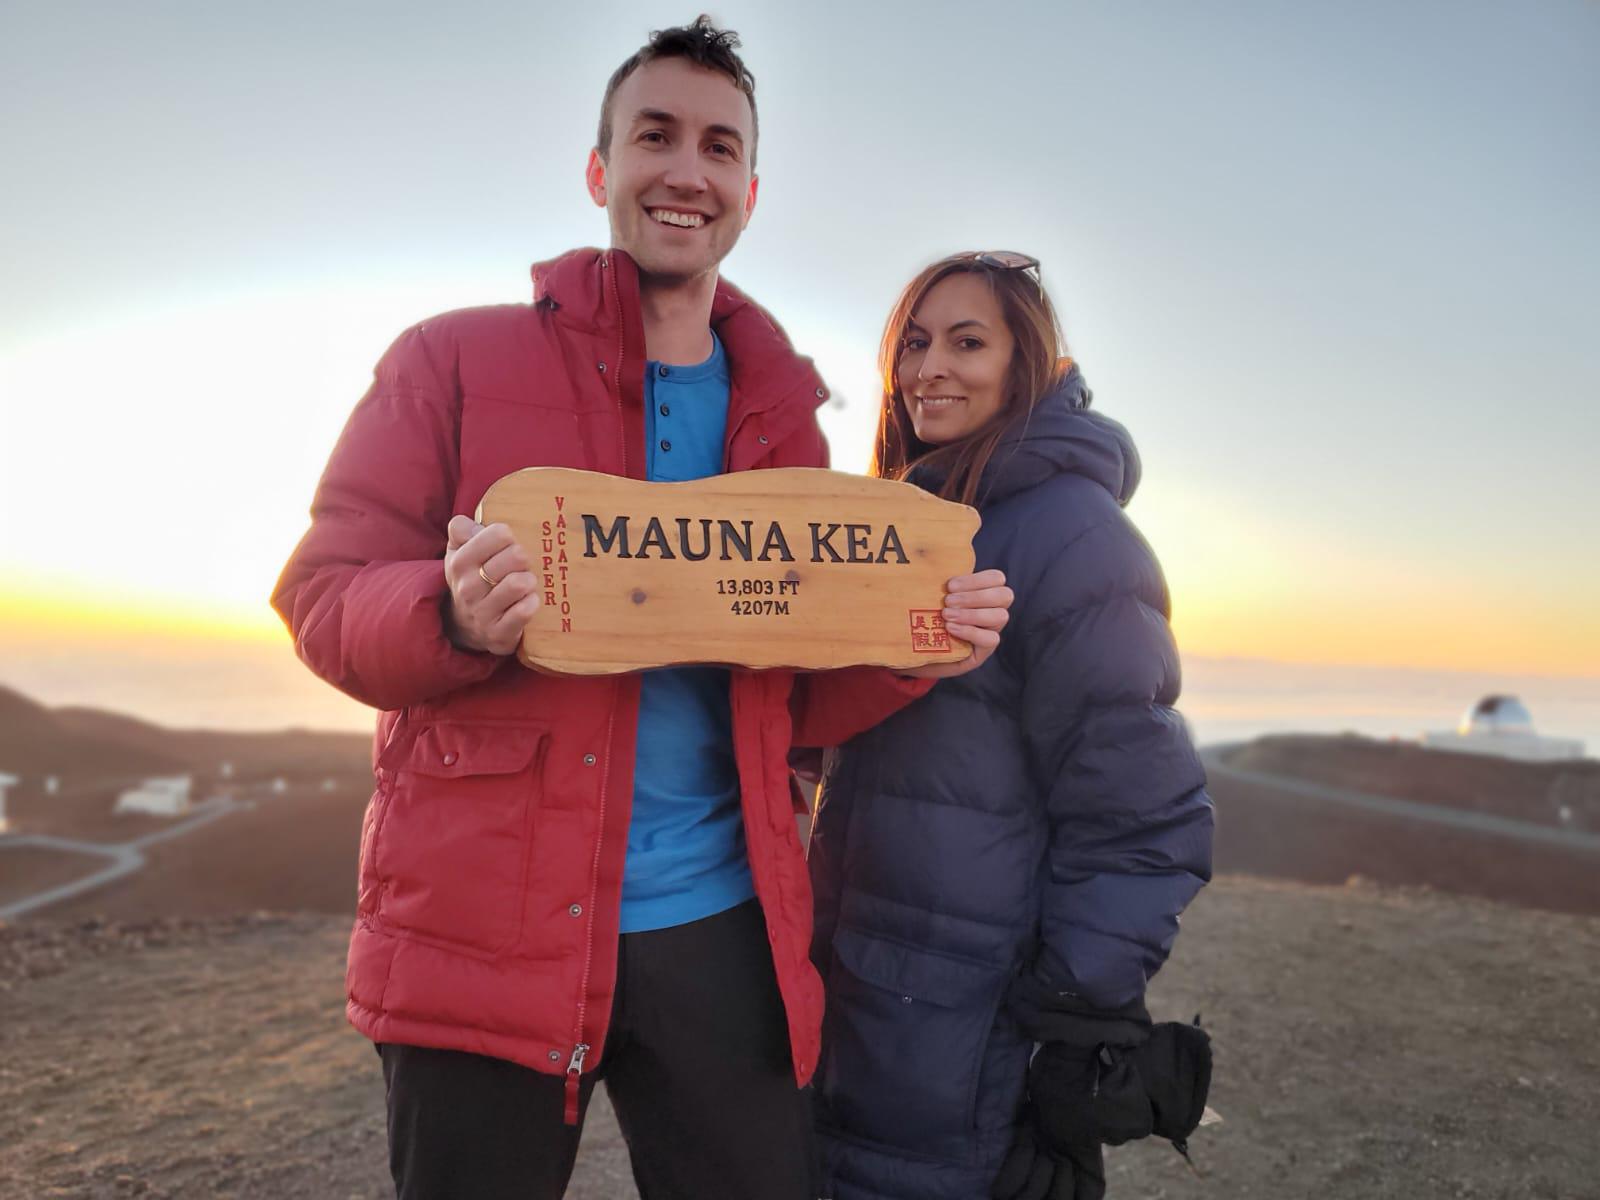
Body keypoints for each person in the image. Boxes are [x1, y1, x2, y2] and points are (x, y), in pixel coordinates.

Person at [270, 21, 1013, 1200]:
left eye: (719, 147)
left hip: (719, 918)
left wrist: (919, 643)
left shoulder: (783, 418)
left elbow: (787, 683)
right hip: (484, 924)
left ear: (750, 192)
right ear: (598, 168)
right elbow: (320, 594)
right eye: (654, 136)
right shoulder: (448, 362)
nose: (686, 170)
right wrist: (447, 614)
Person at [806, 253, 1215, 1200]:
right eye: (913, 342)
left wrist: (1071, 1012)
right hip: (870, 989)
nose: (930, 368)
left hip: (981, 1017)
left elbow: (1143, 815)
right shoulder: (902, 527)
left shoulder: (1076, 539)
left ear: (1024, 365)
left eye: (967, 341)